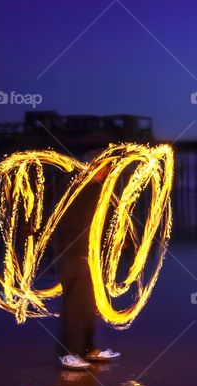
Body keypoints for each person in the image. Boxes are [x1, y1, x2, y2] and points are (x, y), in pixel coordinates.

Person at [53, 153, 121, 370]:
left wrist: (121, 237)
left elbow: (100, 220)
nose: (107, 172)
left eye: (109, 169)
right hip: (73, 256)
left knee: (89, 307)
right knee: (74, 308)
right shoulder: (76, 189)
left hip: (89, 257)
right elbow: (58, 216)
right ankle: (67, 353)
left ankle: (88, 349)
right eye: (105, 168)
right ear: (94, 166)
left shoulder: (96, 190)